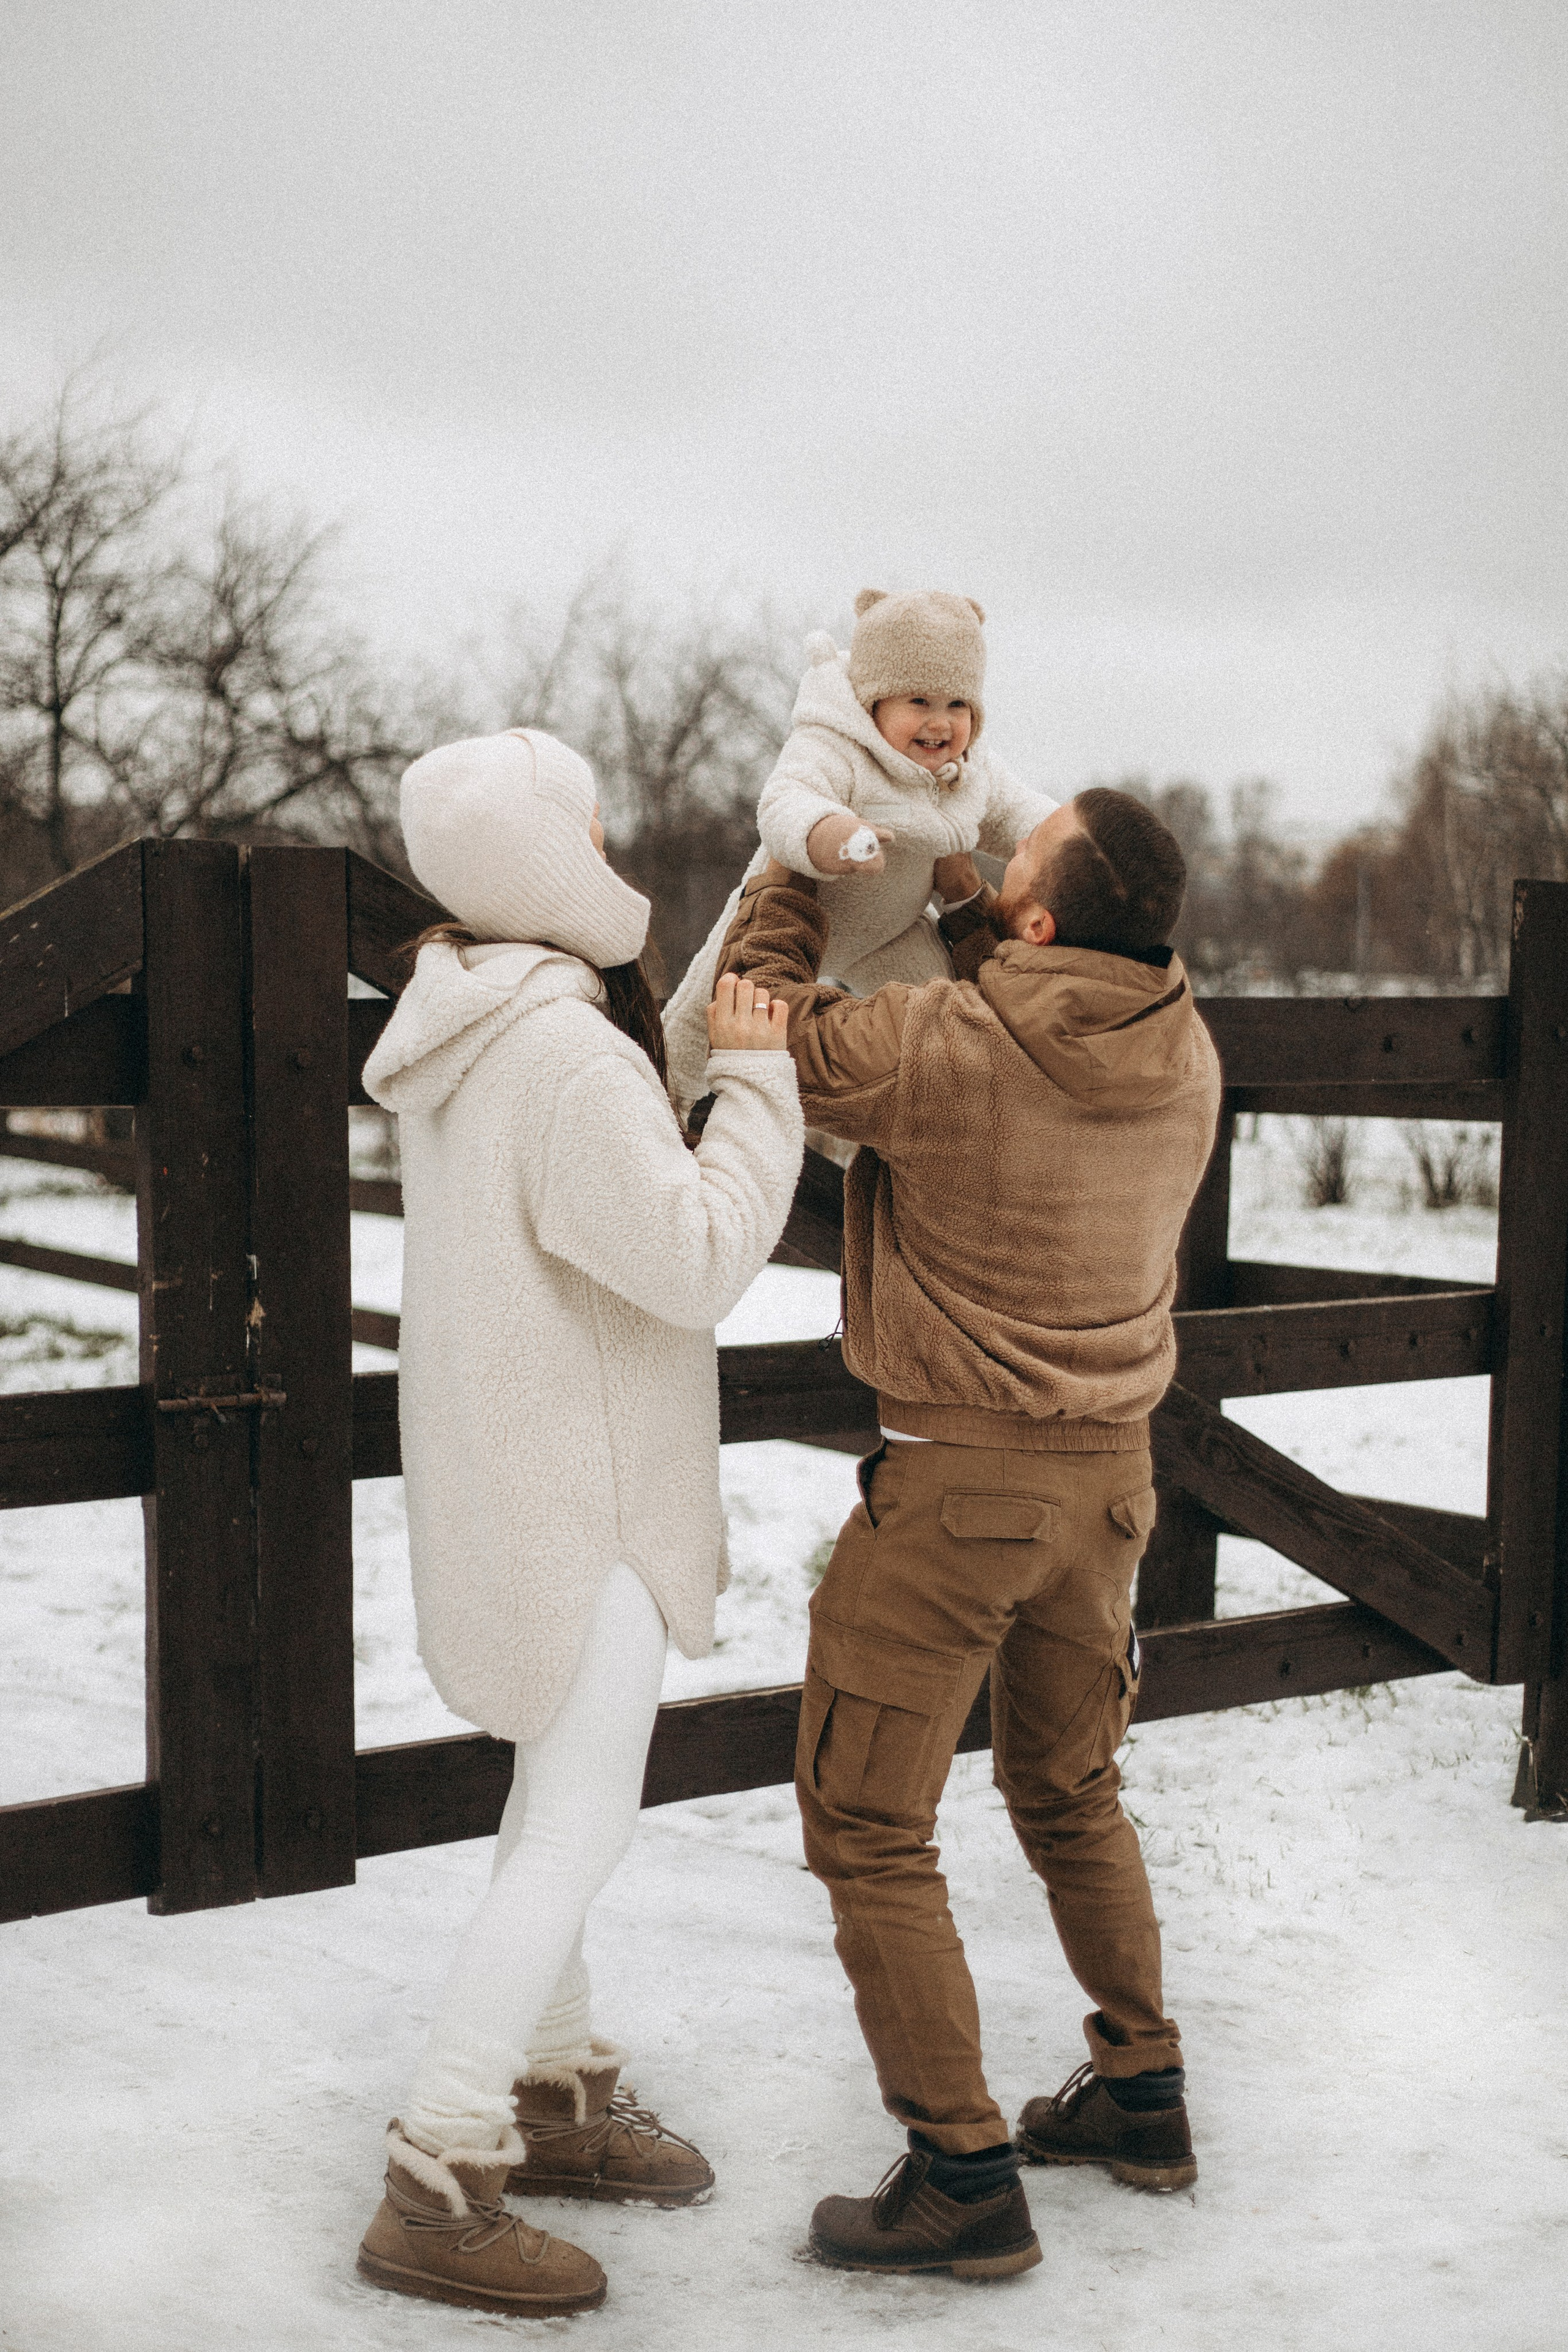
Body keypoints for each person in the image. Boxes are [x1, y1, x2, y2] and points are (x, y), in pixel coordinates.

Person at [714, 787, 1222, 2278]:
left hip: (957, 1493)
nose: (995, 871)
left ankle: (959, 2171)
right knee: (1072, 1789)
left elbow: (771, 1023)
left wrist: (792, 871)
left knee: (868, 1823)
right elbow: (1041, 1012)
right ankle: (1142, 2093)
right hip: (1110, 1487)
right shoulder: (1183, 1047)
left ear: (1039, 918)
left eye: (1018, 866)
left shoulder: (944, 1048)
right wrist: (960, 908)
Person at [357, 728, 803, 2318]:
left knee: (551, 1803)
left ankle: (550, 2091)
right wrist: (760, 1084)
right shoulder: (557, 1054)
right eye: (591, 827)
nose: (611, 850)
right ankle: (438, 2168)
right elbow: (694, 1257)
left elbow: (612, 1171)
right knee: (578, 1825)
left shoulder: (476, 1020)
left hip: (517, 1475)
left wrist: (707, 1026)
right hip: (585, 1497)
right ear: (546, 858)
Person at [660, 588, 1055, 1117]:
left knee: (947, 1019)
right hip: (795, 913)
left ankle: (940, 1116)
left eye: (957, 704)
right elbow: (785, 800)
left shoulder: (972, 769)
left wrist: (1075, 841)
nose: (941, 723)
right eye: (919, 702)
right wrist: (834, 835)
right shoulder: (836, 745)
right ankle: (665, 1097)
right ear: (874, 702)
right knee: (707, 1010)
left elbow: (1020, 814)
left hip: (894, 931)